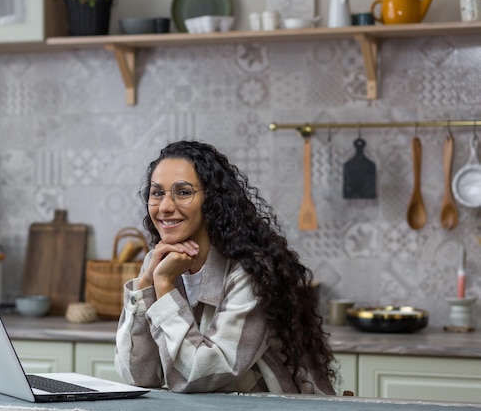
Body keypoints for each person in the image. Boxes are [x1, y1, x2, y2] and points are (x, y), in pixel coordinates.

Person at [114, 140, 336, 394]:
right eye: (157, 193)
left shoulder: (251, 271)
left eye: (184, 192)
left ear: (212, 199)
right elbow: (137, 375)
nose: (165, 207)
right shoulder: (161, 264)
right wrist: (145, 285)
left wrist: (163, 286)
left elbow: (201, 374)